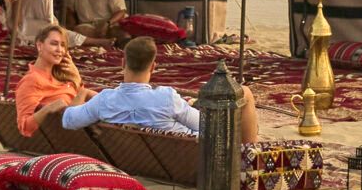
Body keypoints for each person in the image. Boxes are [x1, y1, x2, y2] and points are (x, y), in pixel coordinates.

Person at [58, 36, 259, 143]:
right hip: (192, 159)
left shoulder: (104, 101)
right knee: (245, 93)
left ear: (122, 63)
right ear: (153, 67)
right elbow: (207, 127)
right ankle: (250, 155)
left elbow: (68, 120)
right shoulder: (166, 97)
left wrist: (82, 93)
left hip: (149, 160)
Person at [12, 22, 94, 135]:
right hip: (72, 133)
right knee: (88, 94)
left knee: (106, 98)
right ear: (39, 46)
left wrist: (76, 76)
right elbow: (24, 126)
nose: (59, 50)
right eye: (54, 44)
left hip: (87, 125)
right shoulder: (31, 80)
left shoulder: (62, 75)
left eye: (63, 45)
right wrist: (48, 108)